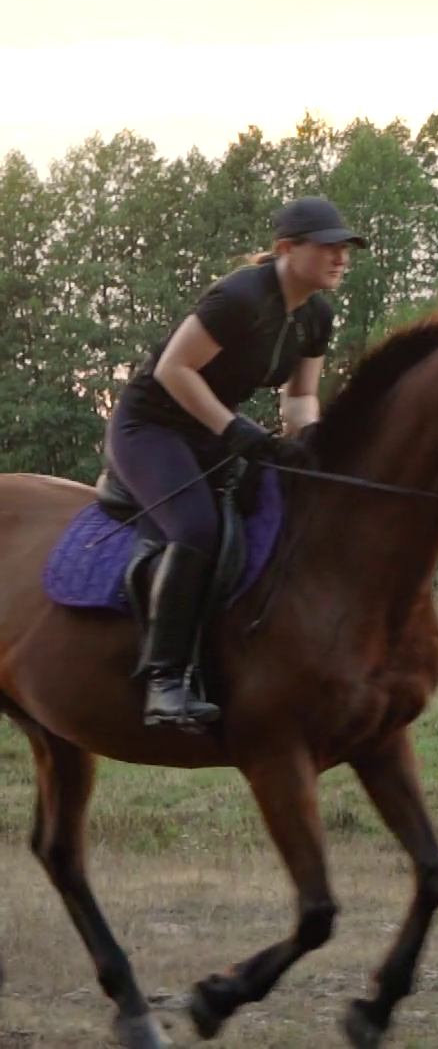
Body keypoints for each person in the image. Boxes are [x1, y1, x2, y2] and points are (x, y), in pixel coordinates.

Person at [106, 196, 366, 730]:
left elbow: (299, 397)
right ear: (286, 249)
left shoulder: (317, 312)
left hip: (210, 431)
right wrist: (235, 429)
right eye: (328, 248)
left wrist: (307, 443)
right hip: (150, 426)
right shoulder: (241, 296)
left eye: (345, 249)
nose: (341, 258)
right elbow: (174, 371)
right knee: (197, 527)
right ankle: (165, 682)